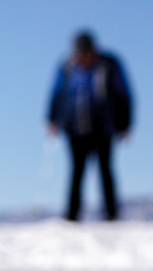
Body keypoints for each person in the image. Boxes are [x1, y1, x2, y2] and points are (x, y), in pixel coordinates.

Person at [46, 30, 134, 221]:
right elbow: (57, 93)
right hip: (75, 127)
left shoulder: (109, 65)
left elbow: (124, 94)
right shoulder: (67, 67)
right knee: (76, 171)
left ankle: (111, 214)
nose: (84, 58)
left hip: (103, 126)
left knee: (105, 170)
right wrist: (52, 120)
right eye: (80, 54)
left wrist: (125, 124)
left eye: (87, 53)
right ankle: (72, 215)